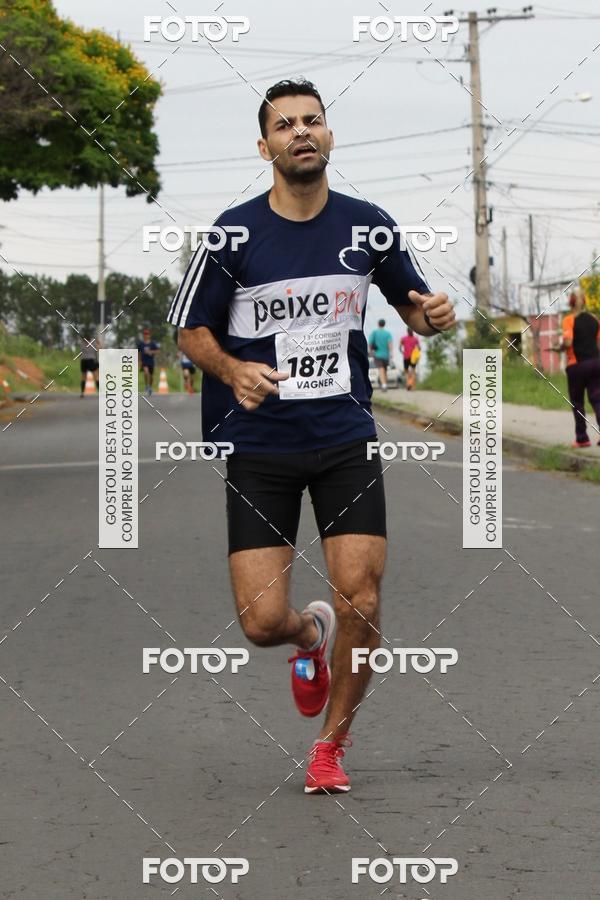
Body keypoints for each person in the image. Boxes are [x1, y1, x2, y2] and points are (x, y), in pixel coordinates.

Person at [168, 78, 455, 794]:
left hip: (344, 437)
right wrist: (233, 370)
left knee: (363, 595)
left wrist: (431, 316)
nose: (302, 131)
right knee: (261, 622)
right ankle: (307, 636)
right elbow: (189, 329)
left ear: (329, 137)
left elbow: (411, 304)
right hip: (261, 443)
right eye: (286, 124)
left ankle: (330, 746)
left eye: (313, 121)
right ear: (263, 145)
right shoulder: (232, 234)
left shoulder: (368, 225)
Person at [559, 291, 600, 447]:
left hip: (577, 365)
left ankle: (582, 438)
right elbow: (598, 344)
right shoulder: (595, 319)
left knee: (578, 402)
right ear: (585, 301)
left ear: (570, 302)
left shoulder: (569, 320)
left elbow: (568, 343)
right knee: (597, 399)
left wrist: (560, 347)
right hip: (596, 363)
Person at [368, 319, 393, 391]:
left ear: (378, 324)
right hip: (386, 355)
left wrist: (370, 351)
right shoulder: (388, 334)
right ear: (384, 324)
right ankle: (385, 383)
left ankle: (384, 385)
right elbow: (390, 344)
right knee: (384, 369)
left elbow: (370, 343)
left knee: (381, 369)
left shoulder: (374, 333)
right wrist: (391, 353)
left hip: (377, 354)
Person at [136, 328, 160, 396]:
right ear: (143, 335)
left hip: (151, 362)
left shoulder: (152, 343)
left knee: (151, 376)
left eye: (147, 334)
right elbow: (138, 352)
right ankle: (146, 385)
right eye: (145, 334)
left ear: (149, 335)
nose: (146, 335)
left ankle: (150, 386)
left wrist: (151, 352)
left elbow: (158, 351)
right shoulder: (141, 344)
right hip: (144, 362)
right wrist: (139, 361)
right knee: (146, 373)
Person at [79, 331, 100, 397]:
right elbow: (97, 350)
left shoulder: (82, 343)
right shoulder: (93, 343)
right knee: (96, 376)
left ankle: (82, 393)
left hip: (83, 361)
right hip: (91, 360)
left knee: (83, 377)